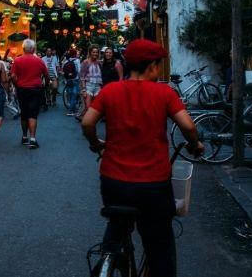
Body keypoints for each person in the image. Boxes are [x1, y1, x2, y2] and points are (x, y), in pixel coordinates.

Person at [81, 39, 205, 277]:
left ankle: (110, 254)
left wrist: (95, 143)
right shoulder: (164, 93)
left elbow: (88, 122)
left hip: (114, 181)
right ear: (151, 67)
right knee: (159, 245)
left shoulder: (110, 91)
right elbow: (188, 126)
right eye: (158, 66)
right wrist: (195, 145)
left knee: (117, 224)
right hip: (153, 185)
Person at [10, 39, 49, 149]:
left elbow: (12, 76)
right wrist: (45, 84)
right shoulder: (39, 61)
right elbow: (46, 75)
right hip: (35, 89)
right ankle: (32, 138)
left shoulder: (17, 60)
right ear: (33, 49)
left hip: (22, 89)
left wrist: (16, 84)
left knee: (24, 113)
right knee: (33, 114)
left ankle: (24, 136)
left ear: (23, 49)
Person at [79, 45, 102, 117]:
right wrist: (83, 90)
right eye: (93, 52)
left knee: (95, 109)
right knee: (88, 108)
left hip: (97, 86)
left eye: (96, 52)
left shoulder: (99, 63)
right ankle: (85, 122)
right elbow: (82, 76)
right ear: (90, 52)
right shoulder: (85, 62)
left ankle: (83, 117)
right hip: (88, 86)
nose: (95, 54)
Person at [61, 48, 81, 116]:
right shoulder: (77, 61)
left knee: (70, 95)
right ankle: (70, 111)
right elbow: (79, 71)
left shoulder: (67, 61)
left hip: (68, 80)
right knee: (74, 95)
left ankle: (74, 110)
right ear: (75, 54)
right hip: (75, 79)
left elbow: (64, 71)